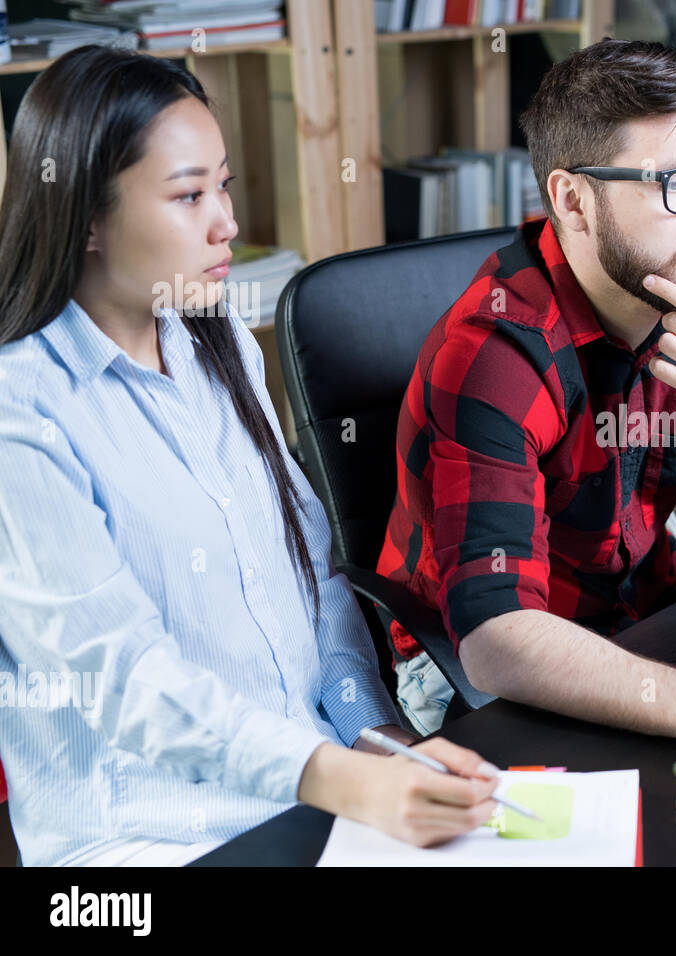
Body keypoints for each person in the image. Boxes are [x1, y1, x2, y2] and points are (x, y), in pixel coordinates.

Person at [0, 46, 500, 867]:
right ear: (86, 217)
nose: (226, 222)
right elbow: (126, 679)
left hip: (305, 800)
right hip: (150, 844)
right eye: (189, 195)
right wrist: (340, 779)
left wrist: (376, 739)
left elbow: (317, 579)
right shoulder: (22, 413)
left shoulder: (218, 340)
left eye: (223, 185)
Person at [376, 40, 676, 743]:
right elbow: (494, 640)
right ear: (573, 201)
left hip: (647, 615)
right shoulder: (495, 352)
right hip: (481, 673)